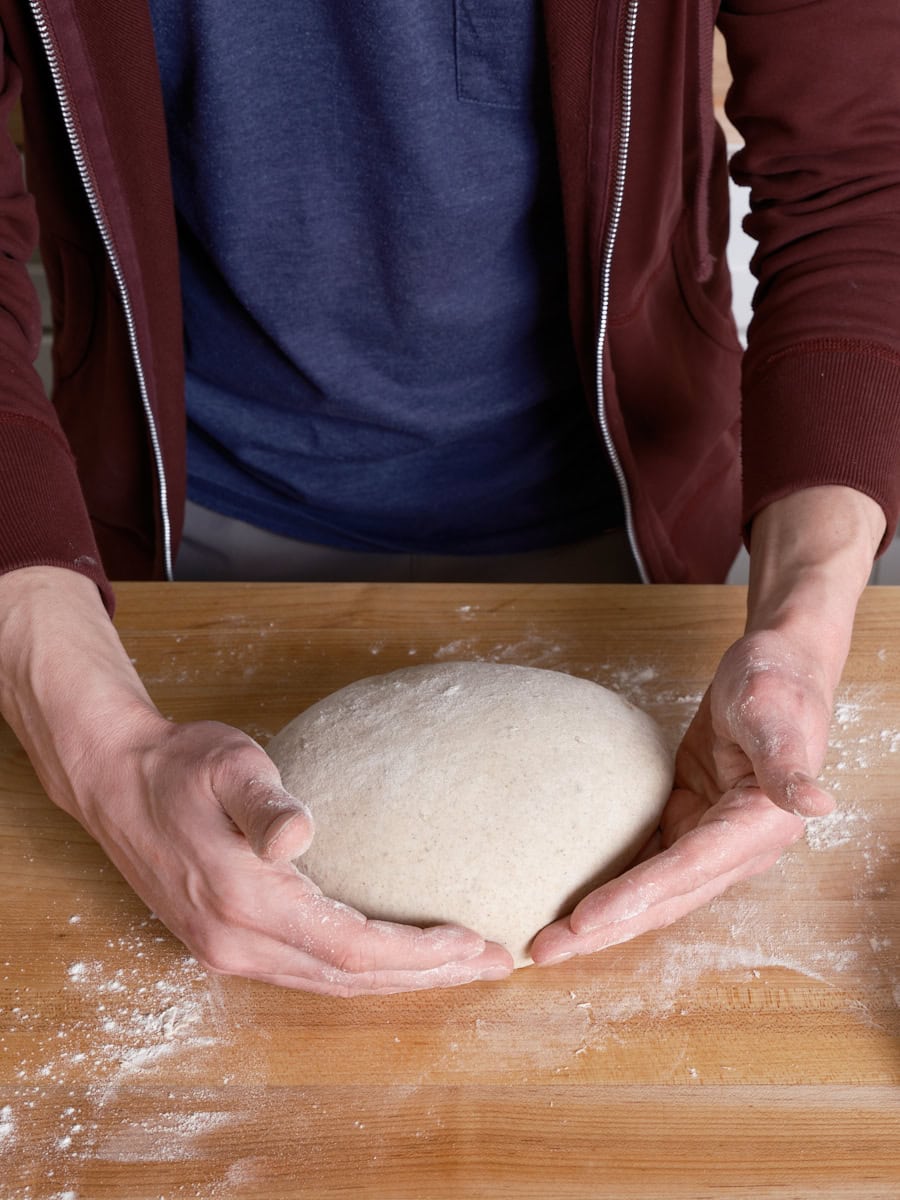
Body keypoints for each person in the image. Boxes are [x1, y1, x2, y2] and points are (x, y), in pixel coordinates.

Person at [0, 2, 896, 996]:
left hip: (626, 509)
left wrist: (804, 615)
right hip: (166, 514)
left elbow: (856, 179)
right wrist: (92, 743)